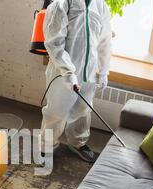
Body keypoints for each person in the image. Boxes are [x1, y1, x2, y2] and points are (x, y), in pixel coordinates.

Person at [39, 0, 112, 162]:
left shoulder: (101, 6)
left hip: (89, 72)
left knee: (83, 110)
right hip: (62, 73)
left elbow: (105, 42)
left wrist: (104, 70)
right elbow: (54, 43)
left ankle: (78, 142)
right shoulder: (61, 5)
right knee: (56, 112)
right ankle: (46, 147)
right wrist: (68, 73)